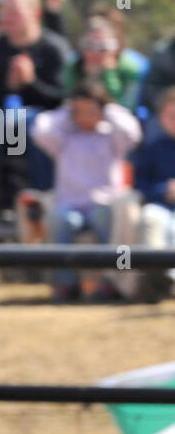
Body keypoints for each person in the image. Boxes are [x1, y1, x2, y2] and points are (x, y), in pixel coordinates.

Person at [0, 0, 72, 218]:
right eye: (6, 12)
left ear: (35, 14)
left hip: (43, 120)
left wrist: (31, 83)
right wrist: (8, 86)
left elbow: (62, 100)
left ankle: (43, 206)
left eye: (15, 12)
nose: (8, 18)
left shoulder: (54, 48)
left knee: (37, 127)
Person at [31, 80, 142, 299]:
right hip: (70, 206)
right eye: (79, 112)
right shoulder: (64, 138)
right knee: (61, 219)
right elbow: (40, 129)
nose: (84, 117)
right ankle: (65, 285)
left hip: (104, 205)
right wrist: (68, 109)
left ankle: (108, 282)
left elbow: (133, 132)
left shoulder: (112, 137)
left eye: (90, 111)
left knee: (105, 217)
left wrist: (106, 108)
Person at [131, 86, 175, 300]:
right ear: (161, 117)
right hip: (163, 207)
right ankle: (158, 278)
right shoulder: (152, 148)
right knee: (150, 216)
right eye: (171, 115)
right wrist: (164, 190)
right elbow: (140, 186)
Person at [62, 16, 144, 113]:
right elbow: (69, 99)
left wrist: (109, 74)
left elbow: (126, 107)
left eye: (103, 47)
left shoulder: (129, 68)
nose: (95, 53)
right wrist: (88, 77)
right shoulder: (75, 65)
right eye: (89, 45)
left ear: (115, 47)